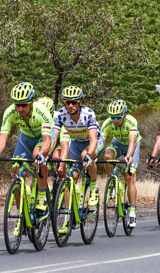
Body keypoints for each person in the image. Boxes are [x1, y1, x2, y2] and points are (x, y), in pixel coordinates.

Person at [0, 82, 53, 221]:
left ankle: (42, 197)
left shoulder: (42, 111)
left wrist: (43, 154)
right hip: (25, 139)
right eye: (17, 104)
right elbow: (3, 136)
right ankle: (21, 214)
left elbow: (47, 139)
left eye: (23, 105)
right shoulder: (10, 111)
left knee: (38, 156)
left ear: (32, 102)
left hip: (42, 138)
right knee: (16, 171)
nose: (20, 108)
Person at [52, 85, 104, 234]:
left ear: (81, 101)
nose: (70, 105)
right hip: (76, 144)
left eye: (74, 102)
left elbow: (94, 139)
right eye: (67, 102)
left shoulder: (88, 114)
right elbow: (54, 137)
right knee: (70, 178)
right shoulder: (61, 115)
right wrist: (47, 154)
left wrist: (89, 154)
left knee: (85, 155)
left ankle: (93, 187)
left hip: (93, 142)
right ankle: (68, 218)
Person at [101, 99, 140, 227]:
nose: (115, 120)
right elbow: (101, 140)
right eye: (112, 118)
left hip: (131, 145)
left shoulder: (131, 121)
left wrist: (128, 156)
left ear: (124, 114)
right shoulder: (108, 123)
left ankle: (133, 212)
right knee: (107, 156)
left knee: (129, 177)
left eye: (118, 117)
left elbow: (133, 141)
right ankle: (111, 180)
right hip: (117, 143)